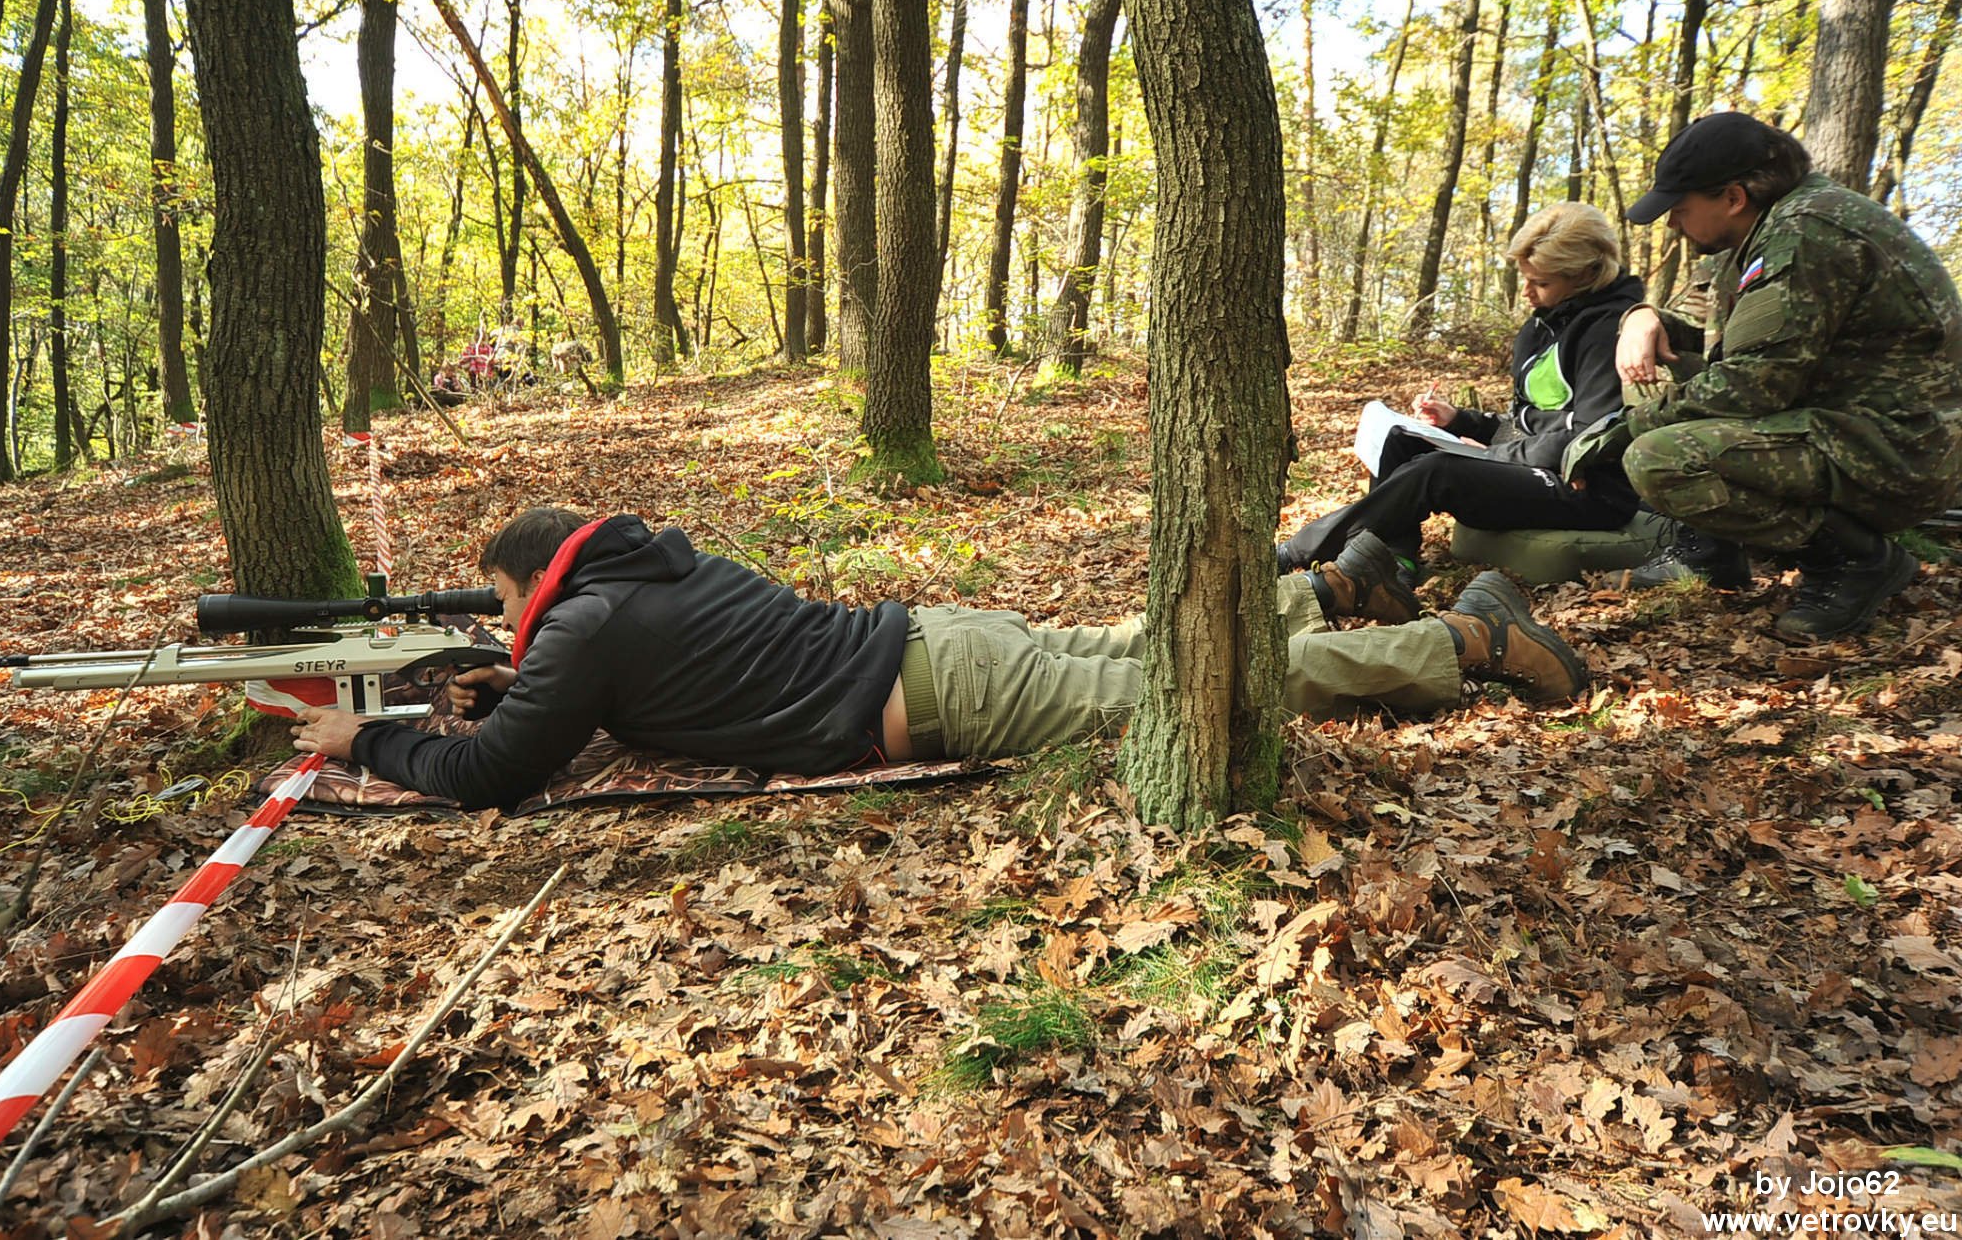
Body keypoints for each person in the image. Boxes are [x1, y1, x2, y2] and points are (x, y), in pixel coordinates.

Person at [292, 509, 1590, 810]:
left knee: (1187, 687)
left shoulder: (583, 625)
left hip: (942, 685)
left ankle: (1461, 639)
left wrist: (371, 740)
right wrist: (510, 679)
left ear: (536, 579)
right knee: (1150, 642)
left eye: (506, 603)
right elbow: (618, 685)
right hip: (937, 640)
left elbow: (503, 771)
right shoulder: (646, 575)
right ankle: (1321, 585)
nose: (510, 620)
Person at [1568, 111, 1962, 639]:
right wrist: (1644, 317)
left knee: (1658, 457)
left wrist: (1618, 432)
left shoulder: (1804, 233)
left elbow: (1752, 384)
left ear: (1733, 197)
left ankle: (1856, 561)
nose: (1673, 225)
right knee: (1666, 388)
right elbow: (1729, 340)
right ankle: (1712, 552)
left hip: (1901, 448)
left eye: (1680, 209)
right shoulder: (1764, 233)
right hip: (1854, 429)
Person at [1275, 202, 1644, 580]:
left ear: (1585, 275)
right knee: (1400, 439)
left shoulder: (1607, 331)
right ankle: (1396, 563)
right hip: (1539, 464)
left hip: (1587, 488)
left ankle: (1293, 552)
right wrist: (1460, 421)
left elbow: (1590, 439)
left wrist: (1494, 456)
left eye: (1542, 283)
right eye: (1525, 278)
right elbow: (1525, 422)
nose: (1526, 293)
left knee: (1436, 472)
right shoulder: (1541, 327)